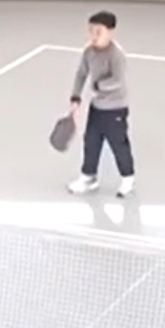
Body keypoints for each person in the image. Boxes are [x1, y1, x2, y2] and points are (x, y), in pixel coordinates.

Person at [66, 11, 135, 197]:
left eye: (99, 32)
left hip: (115, 109)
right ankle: (89, 177)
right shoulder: (89, 52)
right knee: (91, 142)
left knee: (118, 145)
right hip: (96, 108)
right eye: (91, 31)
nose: (94, 36)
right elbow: (81, 74)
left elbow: (118, 80)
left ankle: (128, 178)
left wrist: (98, 86)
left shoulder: (116, 55)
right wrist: (75, 97)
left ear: (110, 32)